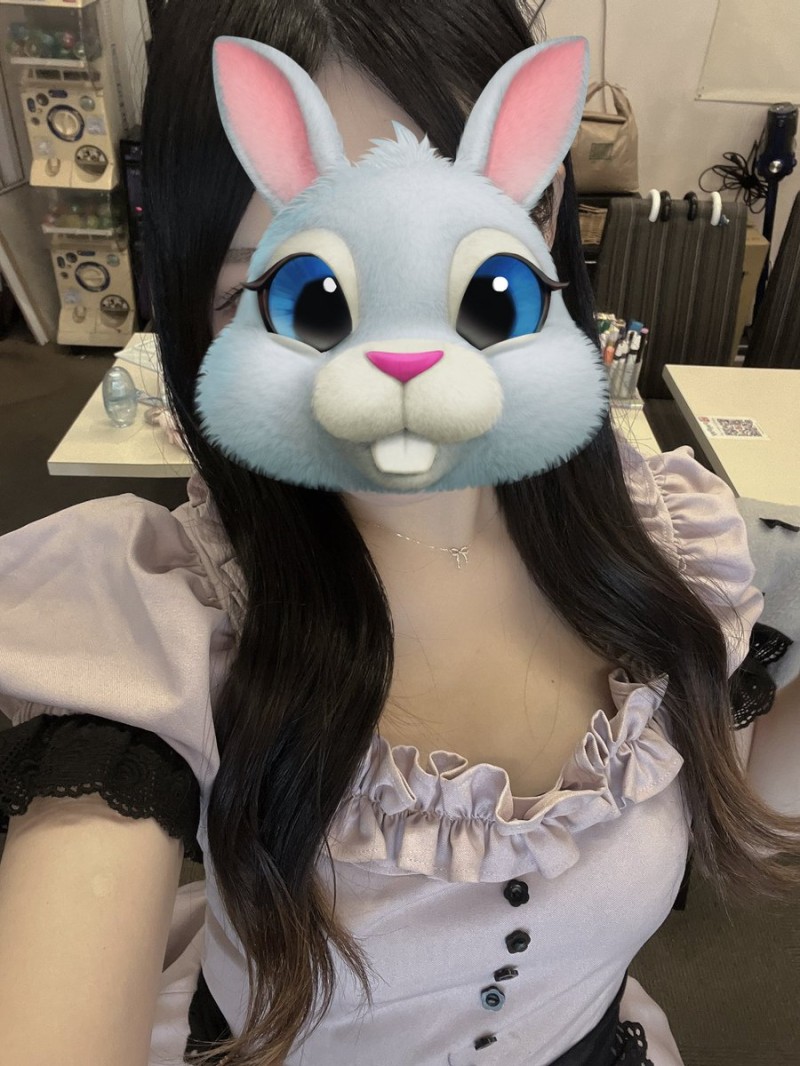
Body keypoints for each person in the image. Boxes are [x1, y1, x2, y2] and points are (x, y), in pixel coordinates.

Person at [0, 2, 798, 1065]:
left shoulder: (657, 526)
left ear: (540, 205)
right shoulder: (168, 612)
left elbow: (737, 791)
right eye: (310, 299)